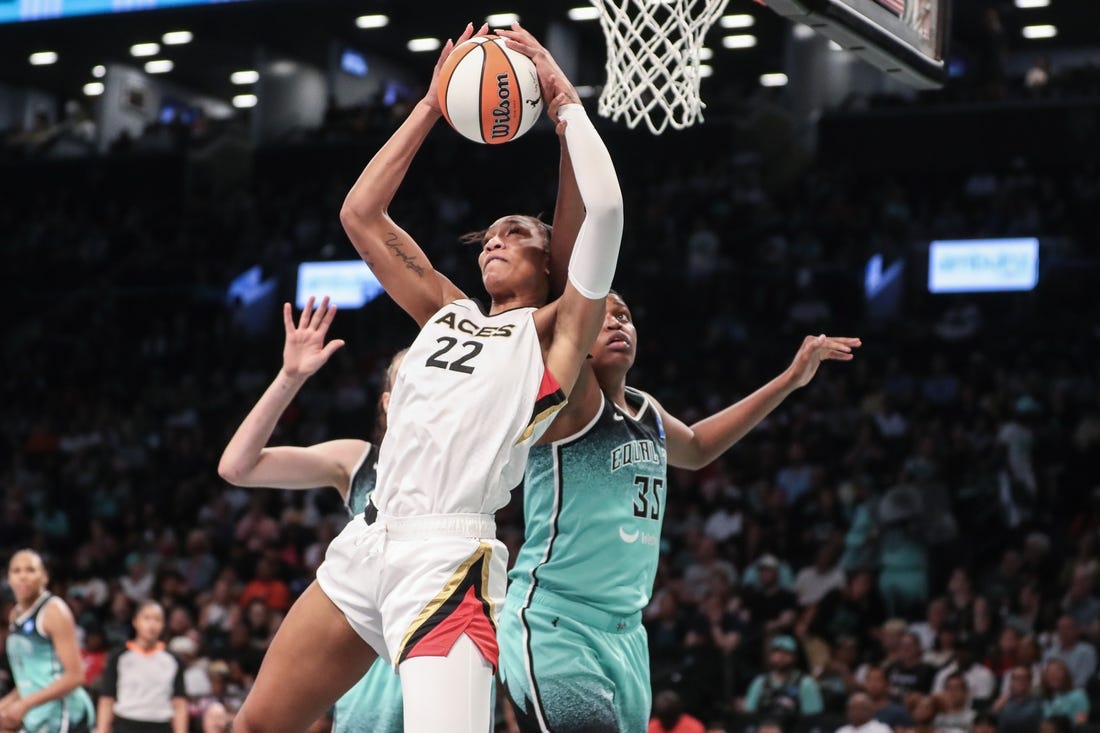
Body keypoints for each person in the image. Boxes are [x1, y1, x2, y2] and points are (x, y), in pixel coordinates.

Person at [231, 21, 624, 733]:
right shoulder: (445, 309)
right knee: (256, 724)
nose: (497, 238)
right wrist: (432, 105)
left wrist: (565, 101)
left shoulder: (560, 334)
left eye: (518, 233)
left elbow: (604, 209)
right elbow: (360, 213)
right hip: (367, 541)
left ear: (551, 264)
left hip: (447, 562)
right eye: (492, 234)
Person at [499, 288, 858, 731]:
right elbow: (577, 294)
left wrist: (790, 379)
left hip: (627, 634)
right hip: (557, 622)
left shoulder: (647, 410)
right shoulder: (570, 400)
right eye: (603, 316)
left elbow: (700, 446)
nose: (617, 323)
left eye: (626, 316)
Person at [217, 297, 406, 733]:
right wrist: (290, 377)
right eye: (405, 383)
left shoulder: (468, 462)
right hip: (360, 659)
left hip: (431, 637)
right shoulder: (359, 461)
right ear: (387, 403)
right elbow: (237, 467)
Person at [0, 550, 96, 733]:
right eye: (16, 571)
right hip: (37, 714)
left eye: (30, 570)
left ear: (44, 577)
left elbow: (76, 675)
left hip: (65, 715)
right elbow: (31, 679)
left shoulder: (54, 611)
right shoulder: (15, 614)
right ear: (9, 578)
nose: (23, 576)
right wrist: (6, 705)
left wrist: (25, 704)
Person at [96, 601, 187, 733]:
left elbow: (179, 704)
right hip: (126, 723)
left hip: (161, 724)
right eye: (146, 618)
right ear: (135, 622)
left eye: (157, 620)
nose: (151, 625)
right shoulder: (119, 657)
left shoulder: (173, 660)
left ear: (163, 625)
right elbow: (107, 700)